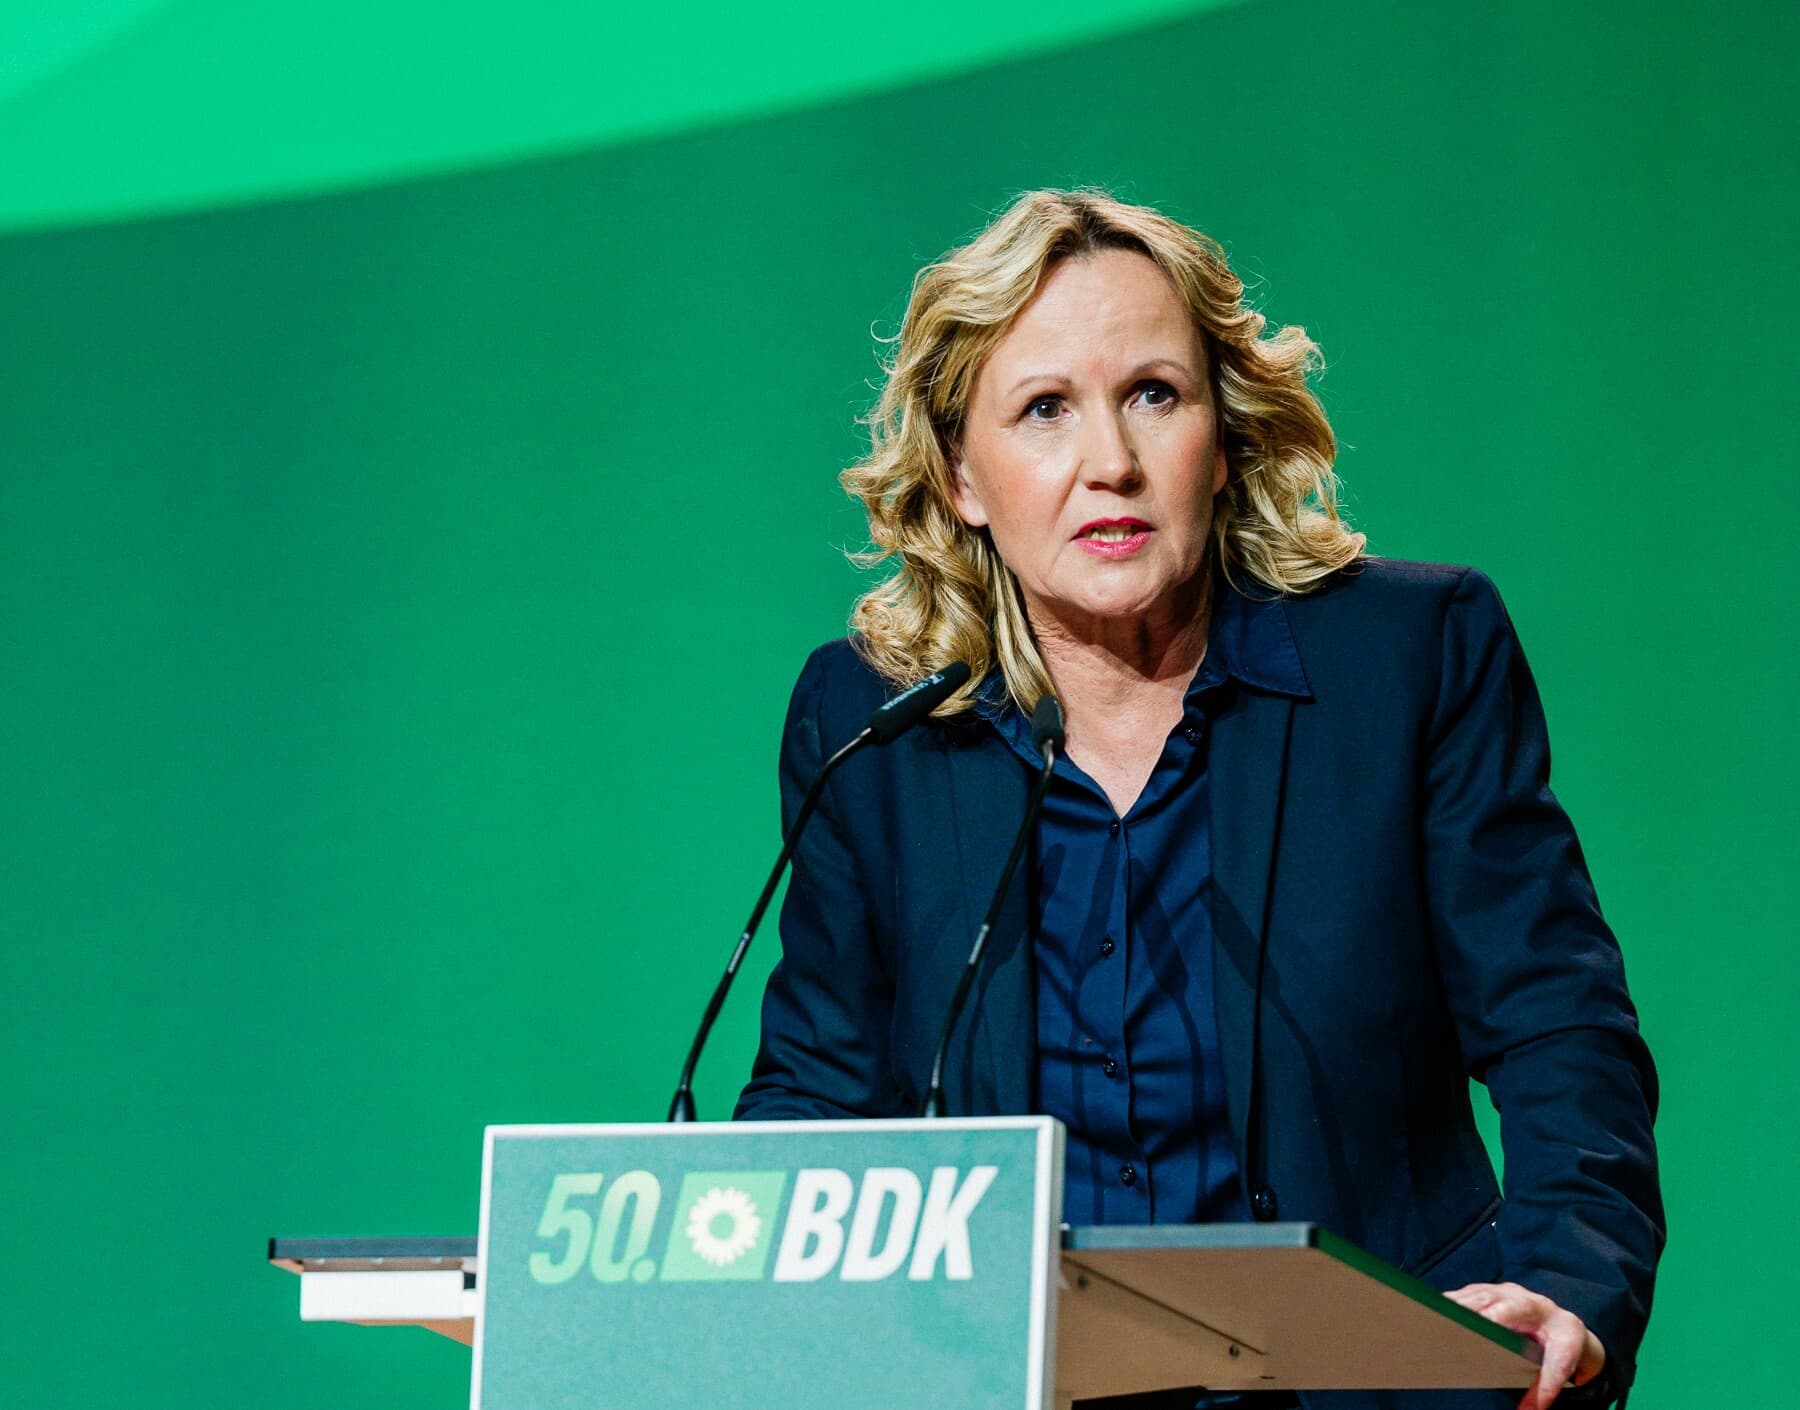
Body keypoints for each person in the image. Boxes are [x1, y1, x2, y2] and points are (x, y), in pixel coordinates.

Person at [734, 188, 1663, 1410]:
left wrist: (1563, 1283)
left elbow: (1557, 1024)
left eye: (1154, 395)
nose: (1110, 463)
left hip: (1382, 1389)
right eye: (1045, 409)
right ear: (962, 476)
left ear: (1222, 440)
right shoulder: (877, 727)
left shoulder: (1408, 659)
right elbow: (821, 1091)